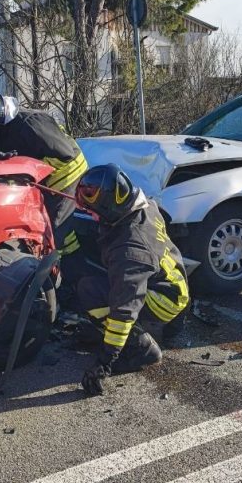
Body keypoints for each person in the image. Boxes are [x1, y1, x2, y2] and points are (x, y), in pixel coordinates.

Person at [73, 163, 190, 396]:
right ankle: (171, 323)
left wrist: (105, 362)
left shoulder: (130, 252)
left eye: (92, 209)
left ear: (107, 206)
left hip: (164, 300)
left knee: (89, 289)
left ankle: (140, 348)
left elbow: (123, 310)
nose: (90, 214)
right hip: (175, 284)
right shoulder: (147, 207)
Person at [0, 87, 87, 260]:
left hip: (66, 173)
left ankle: (73, 268)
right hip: (45, 180)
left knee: (57, 229)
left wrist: (19, 163)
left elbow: (65, 155)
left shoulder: (31, 124)